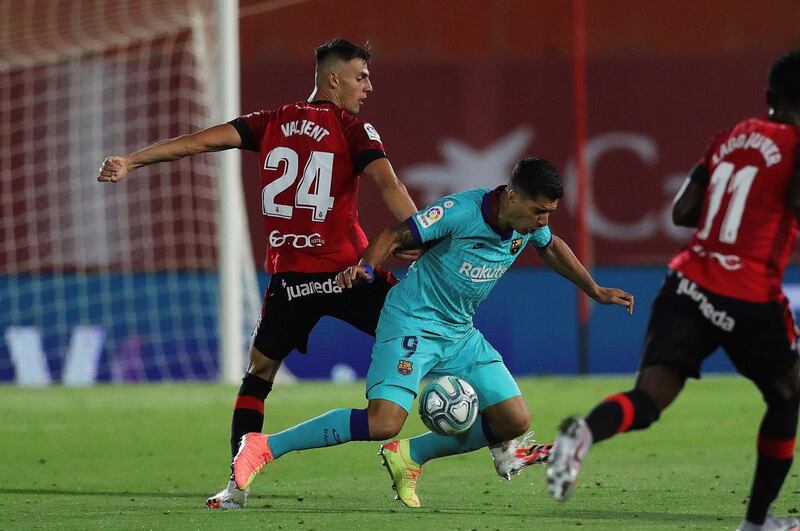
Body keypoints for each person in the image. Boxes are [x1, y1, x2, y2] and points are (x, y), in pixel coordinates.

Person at [97, 38, 423, 510]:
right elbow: (387, 183)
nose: (368, 86)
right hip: (349, 275)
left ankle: (235, 487)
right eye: (361, 77)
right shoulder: (354, 129)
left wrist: (131, 160)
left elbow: (197, 142)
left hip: (291, 282)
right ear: (333, 79)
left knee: (258, 375)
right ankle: (492, 431)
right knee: (424, 331)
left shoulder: (268, 122)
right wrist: (419, 235)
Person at [231, 157, 635, 508]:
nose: (543, 221)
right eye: (538, 211)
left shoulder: (527, 223)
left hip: (460, 333)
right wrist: (367, 268)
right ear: (513, 196)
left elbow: (550, 246)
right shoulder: (460, 211)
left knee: (513, 420)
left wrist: (594, 290)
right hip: (412, 324)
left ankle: (410, 456)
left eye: (549, 213)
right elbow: (392, 235)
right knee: (382, 422)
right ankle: (265, 446)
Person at [546, 51, 800, 531]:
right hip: (747, 290)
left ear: (770, 98)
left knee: (650, 398)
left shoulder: (728, 138)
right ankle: (756, 522)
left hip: (688, 281)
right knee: (788, 393)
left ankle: (583, 435)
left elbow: (682, 212)